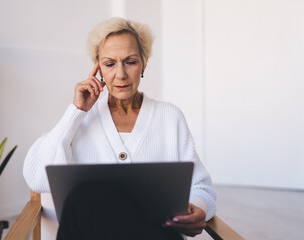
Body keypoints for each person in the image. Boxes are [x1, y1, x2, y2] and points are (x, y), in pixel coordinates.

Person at [23, 17, 216, 239]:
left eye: (130, 61)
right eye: (109, 64)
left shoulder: (170, 117)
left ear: (144, 63)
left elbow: (201, 188)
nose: (121, 74)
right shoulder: (80, 120)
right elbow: (36, 177)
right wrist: (76, 112)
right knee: (84, 196)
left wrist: (198, 207)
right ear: (98, 68)